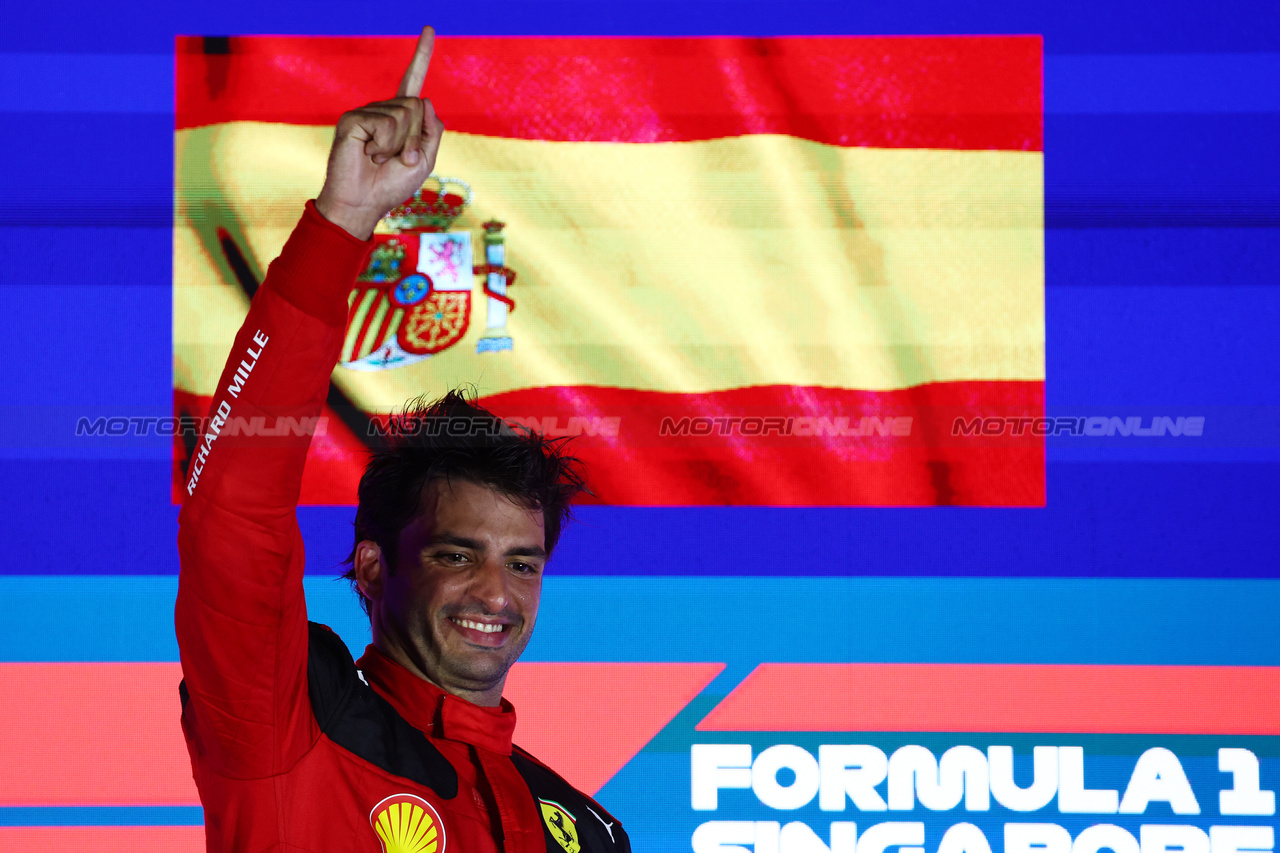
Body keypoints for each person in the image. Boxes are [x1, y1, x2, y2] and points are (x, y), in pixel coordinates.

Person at [175, 27, 630, 853]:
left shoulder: (587, 831)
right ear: (376, 566)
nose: (498, 592)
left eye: (522, 562)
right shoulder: (290, 727)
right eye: (458, 554)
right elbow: (234, 515)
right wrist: (344, 221)